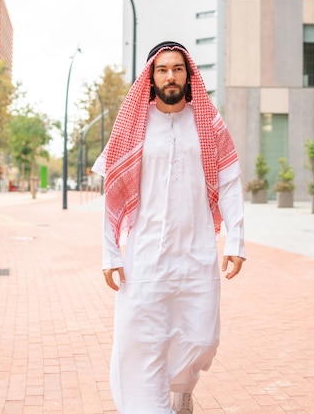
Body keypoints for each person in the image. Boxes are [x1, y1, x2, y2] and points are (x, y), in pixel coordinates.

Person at [91, 41, 246, 414]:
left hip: (197, 252)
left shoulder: (209, 123)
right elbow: (112, 194)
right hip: (146, 254)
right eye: (162, 69)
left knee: (202, 338)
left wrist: (235, 241)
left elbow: (229, 184)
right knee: (142, 341)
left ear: (189, 75)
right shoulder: (134, 126)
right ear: (151, 76)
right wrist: (111, 251)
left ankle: (181, 386)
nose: (170, 76)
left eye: (177, 69)